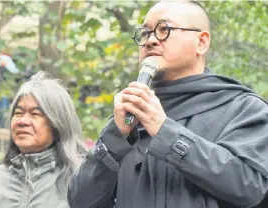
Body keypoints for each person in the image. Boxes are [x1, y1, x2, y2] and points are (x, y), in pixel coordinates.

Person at [68, 1, 268, 208]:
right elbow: (80, 202)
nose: (150, 41)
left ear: (201, 42)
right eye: (144, 33)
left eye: (164, 29)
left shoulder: (243, 109)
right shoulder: (129, 116)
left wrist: (166, 132)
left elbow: (253, 189)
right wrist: (115, 137)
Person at [0, 71, 86, 208]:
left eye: (35, 114)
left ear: (58, 124)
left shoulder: (79, 183)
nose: (23, 121)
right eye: (18, 113)